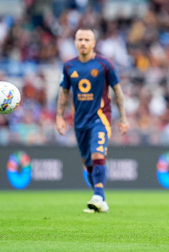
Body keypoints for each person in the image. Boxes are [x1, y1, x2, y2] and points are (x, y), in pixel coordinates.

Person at [56, 27, 129, 213]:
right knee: (88, 163)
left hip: (101, 117)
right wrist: (59, 117)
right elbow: (64, 92)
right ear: (75, 42)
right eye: (80, 39)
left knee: (98, 154)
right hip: (79, 121)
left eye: (87, 40)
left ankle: (98, 196)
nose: (83, 43)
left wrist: (123, 117)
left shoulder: (105, 64)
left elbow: (117, 91)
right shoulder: (68, 66)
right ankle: (101, 199)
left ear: (94, 43)